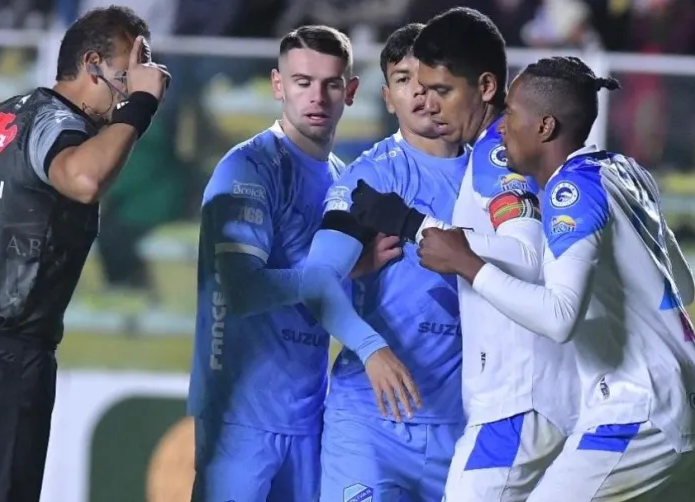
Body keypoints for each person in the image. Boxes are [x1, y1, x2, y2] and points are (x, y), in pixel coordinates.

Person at [415, 56, 695, 501]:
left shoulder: (570, 192)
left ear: (544, 126)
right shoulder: (625, 171)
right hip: (694, 411)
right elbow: (683, 285)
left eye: (512, 115)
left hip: (637, 413)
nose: (501, 127)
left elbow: (560, 319)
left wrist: (469, 263)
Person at [0, 6, 169, 502]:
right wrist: (141, 105)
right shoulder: (59, 126)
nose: (131, 86)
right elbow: (84, 179)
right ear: (91, 63)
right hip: (2, 366)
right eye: (124, 74)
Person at [348, 7, 580, 501]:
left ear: (488, 87)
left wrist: (414, 225)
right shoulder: (489, 153)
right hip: (519, 399)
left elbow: (530, 257)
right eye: (422, 90)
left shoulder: (498, 156)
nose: (428, 105)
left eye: (443, 91)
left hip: (519, 399)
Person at [187, 25, 419, 502]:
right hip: (240, 416)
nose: (317, 96)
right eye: (302, 82)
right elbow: (242, 290)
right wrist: (334, 274)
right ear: (278, 86)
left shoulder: (343, 179)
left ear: (350, 92)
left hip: (310, 415)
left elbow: (327, 294)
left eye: (331, 84)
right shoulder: (247, 167)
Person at [310, 23, 468, 502]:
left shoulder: (494, 177)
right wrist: (372, 348)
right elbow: (316, 278)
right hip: (371, 423)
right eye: (403, 79)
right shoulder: (370, 179)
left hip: (465, 427)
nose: (419, 92)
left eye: (429, 79)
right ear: (386, 97)